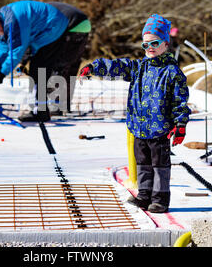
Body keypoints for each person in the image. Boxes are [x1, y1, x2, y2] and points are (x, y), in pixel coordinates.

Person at [78, 14, 191, 213]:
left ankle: (160, 199)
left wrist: (180, 125)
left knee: (160, 167)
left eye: (154, 43)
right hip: (139, 128)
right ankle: (144, 195)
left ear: (165, 44)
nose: (149, 48)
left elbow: (179, 101)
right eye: (145, 44)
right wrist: (94, 67)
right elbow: (117, 66)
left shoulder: (172, 72)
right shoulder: (139, 68)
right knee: (143, 164)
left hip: (160, 130)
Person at [0, 0, 91, 122]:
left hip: (53, 27)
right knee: (37, 69)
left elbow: (16, 50)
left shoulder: (13, 22)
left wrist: (3, 73)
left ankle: (42, 111)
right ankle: (41, 110)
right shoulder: (3, 19)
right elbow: (2, 44)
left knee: (40, 68)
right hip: (43, 30)